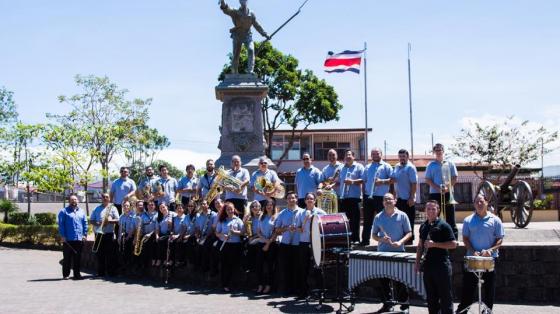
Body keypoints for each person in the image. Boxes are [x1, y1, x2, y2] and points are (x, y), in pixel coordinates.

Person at [456, 194, 505, 313]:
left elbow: (500, 239)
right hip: (473, 259)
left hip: (490, 259)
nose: (479, 204)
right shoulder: (468, 220)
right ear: (474, 204)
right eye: (476, 202)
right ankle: (462, 311)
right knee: (468, 288)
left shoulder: (496, 220)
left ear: (487, 203)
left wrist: (490, 250)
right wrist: (473, 251)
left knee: (489, 289)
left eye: (481, 201)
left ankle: (487, 311)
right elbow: (465, 239)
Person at [371, 193, 412, 313]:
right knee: (384, 281)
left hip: (399, 253)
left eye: (390, 199)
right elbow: (373, 235)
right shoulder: (378, 217)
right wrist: (381, 239)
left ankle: (404, 306)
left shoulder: (402, 215)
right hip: (383, 253)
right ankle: (387, 304)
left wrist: (400, 242)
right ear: (383, 202)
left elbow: (409, 233)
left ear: (395, 201)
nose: (387, 201)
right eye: (385, 199)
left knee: (401, 281)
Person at [415, 200, 457, 314]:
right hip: (428, 266)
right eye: (428, 209)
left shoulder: (444, 225)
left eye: (433, 209)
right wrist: (417, 263)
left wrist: (435, 244)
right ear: (425, 211)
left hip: (442, 266)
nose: (430, 211)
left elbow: (453, 244)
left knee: (445, 297)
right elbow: (420, 246)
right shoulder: (423, 226)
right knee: (431, 298)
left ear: (438, 210)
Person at [219, 0, 270, 74]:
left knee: (251, 50)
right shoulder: (235, 11)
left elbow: (257, 25)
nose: (244, 1)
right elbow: (227, 10)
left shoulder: (251, 14)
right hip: (237, 35)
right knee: (236, 55)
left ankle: (250, 71)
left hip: (247, 35)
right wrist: (222, 1)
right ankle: (234, 72)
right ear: (240, 2)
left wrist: (265, 34)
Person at [295, 192, 326, 298]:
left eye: (311, 199)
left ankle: (320, 292)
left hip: (317, 243)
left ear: (315, 200)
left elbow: (325, 228)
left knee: (318, 267)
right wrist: (305, 220)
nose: (309, 200)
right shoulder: (300, 213)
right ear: (305, 201)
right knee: (303, 268)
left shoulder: (321, 212)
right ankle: (303, 292)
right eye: (307, 198)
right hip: (304, 243)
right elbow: (299, 229)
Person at [425, 143, 459, 239]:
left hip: (448, 193)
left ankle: (453, 239)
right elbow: (427, 179)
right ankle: (435, 238)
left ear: (443, 151)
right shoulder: (430, 165)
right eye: (436, 150)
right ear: (434, 152)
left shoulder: (450, 163)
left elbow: (455, 177)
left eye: (440, 150)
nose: (438, 152)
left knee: (450, 216)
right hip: (435, 193)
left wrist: (447, 188)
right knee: (434, 217)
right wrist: (438, 188)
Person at [362, 148, 393, 246]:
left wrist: (382, 181)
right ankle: (365, 241)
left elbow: (393, 180)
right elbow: (364, 181)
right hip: (368, 196)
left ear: (381, 154)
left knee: (383, 220)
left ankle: (385, 241)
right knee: (367, 220)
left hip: (381, 197)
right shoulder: (367, 167)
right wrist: (364, 194)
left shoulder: (387, 166)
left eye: (377, 153)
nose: (375, 155)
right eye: (373, 154)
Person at [274, 191, 301, 295]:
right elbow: (277, 230)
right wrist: (286, 228)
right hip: (285, 244)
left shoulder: (303, 212)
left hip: (298, 244)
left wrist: (298, 228)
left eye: (293, 198)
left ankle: (297, 290)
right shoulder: (282, 213)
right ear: (286, 200)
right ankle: (286, 289)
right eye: (289, 198)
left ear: (296, 199)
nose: (291, 200)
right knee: (285, 268)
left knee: (297, 267)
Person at [215, 201, 245, 292]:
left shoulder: (238, 220)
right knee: (225, 265)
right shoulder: (222, 220)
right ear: (225, 210)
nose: (230, 211)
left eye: (231, 209)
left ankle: (233, 284)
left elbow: (243, 232)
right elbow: (217, 233)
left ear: (234, 209)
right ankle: (225, 284)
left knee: (234, 266)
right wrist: (222, 236)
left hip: (235, 246)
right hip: (225, 245)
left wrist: (234, 232)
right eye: (228, 209)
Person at [390, 149, 418, 245]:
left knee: (409, 221)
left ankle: (409, 241)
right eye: (400, 156)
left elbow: (414, 184)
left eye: (403, 156)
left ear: (407, 157)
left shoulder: (411, 167)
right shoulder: (397, 166)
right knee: (399, 221)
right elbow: (394, 182)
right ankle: (401, 240)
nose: (402, 158)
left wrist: (411, 197)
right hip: (398, 199)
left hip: (407, 199)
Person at [57, 194, 88, 280]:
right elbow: (61, 225)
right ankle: (66, 274)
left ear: (77, 201)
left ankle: (77, 274)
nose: (74, 201)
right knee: (67, 258)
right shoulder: (64, 211)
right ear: (69, 201)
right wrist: (62, 236)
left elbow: (85, 223)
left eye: (75, 199)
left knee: (77, 258)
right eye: (72, 200)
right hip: (68, 239)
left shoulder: (81, 211)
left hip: (79, 239)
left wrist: (85, 235)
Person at [90, 193, 120, 277]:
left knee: (110, 254)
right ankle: (101, 272)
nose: (105, 198)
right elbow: (91, 220)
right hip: (98, 234)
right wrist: (97, 223)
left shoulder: (113, 208)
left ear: (109, 199)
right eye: (103, 197)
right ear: (101, 199)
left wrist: (109, 221)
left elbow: (118, 220)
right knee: (99, 254)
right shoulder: (96, 208)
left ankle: (110, 272)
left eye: (107, 197)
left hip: (109, 234)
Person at [338, 150, 364, 244]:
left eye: (349, 155)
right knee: (344, 220)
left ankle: (355, 239)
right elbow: (339, 182)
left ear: (353, 156)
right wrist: (331, 185)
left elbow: (363, 179)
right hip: (343, 198)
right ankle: (346, 239)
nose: (347, 156)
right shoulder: (341, 168)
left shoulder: (359, 166)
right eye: (346, 155)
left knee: (355, 219)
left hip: (355, 197)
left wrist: (352, 182)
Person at [255, 198, 277, 294]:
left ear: (273, 206)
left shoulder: (276, 217)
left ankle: (268, 285)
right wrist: (264, 240)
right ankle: (260, 285)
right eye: (267, 205)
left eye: (271, 205)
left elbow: (276, 233)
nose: (269, 206)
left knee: (269, 266)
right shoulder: (261, 217)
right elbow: (258, 232)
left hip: (272, 244)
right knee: (259, 265)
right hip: (261, 243)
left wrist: (268, 243)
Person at [194, 200, 219, 275]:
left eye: (204, 204)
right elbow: (197, 227)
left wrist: (205, 237)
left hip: (211, 236)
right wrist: (197, 234)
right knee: (196, 248)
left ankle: (205, 268)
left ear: (208, 205)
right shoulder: (198, 215)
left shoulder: (213, 214)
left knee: (205, 247)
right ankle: (197, 266)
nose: (202, 205)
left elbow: (213, 228)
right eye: (201, 204)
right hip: (202, 235)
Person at [117, 200, 136, 272]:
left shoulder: (133, 215)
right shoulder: (121, 216)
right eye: (124, 206)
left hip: (131, 236)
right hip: (124, 236)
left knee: (130, 253)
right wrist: (119, 237)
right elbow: (120, 228)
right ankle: (123, 268)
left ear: (130, 207)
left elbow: (133, 228)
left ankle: (130, 269)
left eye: (127, 206)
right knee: (122, 253)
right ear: (122, 207)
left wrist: (128, 237)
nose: (126, 207)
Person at [243, 200, 261, 274]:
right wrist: (244, 222)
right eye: (253, 206)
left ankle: (250, 268)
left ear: (260, 207)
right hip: (251, 237)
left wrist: (252, 238)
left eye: (257, 206)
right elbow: (244, 231)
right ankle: (246, 268)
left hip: (260, 237)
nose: (255, 208)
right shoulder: (249, 217)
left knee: (251, 246)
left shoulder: (262, 216)